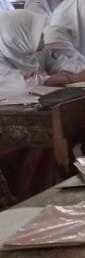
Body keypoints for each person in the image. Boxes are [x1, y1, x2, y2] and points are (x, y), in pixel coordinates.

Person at [0, 11, 58, 201]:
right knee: (42, 145)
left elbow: (40, 76)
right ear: (19, 36)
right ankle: (34, 197)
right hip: (6, 128)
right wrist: (66, 78)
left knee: (48, 142)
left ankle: (42, 195)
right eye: (38, 35)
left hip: (21, 120)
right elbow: (21, 86)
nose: (43, 37)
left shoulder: (26, 53)